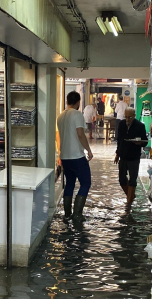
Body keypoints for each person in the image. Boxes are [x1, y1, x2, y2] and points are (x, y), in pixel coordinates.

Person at [57, 91, 93, 222]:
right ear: (78, 102)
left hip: (65, 157)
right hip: (77, 156)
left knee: (70, 184)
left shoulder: (60, 116)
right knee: (85, 183)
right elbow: (80, 134)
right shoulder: (77, 114)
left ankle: (67, 214)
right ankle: (77, 214)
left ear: (67, 101)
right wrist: (88, 150)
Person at [114, 108, 147, 205]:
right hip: (123, 156)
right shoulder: (121, 124)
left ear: (134, 116)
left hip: (134, 156)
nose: (128, 119)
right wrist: (117, 154)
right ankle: (131, 196)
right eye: (126, 117)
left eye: (130, 117)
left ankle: (129, 203)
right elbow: (119, 140)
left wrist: (139, 143)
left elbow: (144, 142)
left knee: (133, 179)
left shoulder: (140, 126)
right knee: (121, 179)